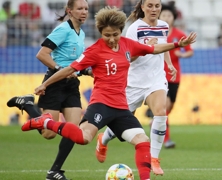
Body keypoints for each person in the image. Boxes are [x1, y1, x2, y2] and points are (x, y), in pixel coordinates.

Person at [20, 6, 196, 180]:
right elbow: (69, 69)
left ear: (121, 31)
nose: (111, 39)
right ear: (100, 33)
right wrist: (46, 84)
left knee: (143, 141)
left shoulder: (128, 45)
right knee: (83, 138)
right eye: (107, 35)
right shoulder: (94, 50)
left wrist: (178, 44)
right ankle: (47, 122)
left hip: (121, 108)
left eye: (115, 35)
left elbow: (154, 49)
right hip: (101, 105)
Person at [6, 0, 89, 179]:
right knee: (49, 134)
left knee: (73, 131)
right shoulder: (63, 30)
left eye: (86, 9)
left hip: (72, 85)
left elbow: (76, 62)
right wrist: (61, 70)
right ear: (69, 11)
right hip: (55, 83)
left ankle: (54, 171)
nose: (84, 12)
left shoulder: (81, 33)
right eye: (80, 9)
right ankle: (27, 105)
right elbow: (42, 54)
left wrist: (86, 71)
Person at [97, 0, 177, 175]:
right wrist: (148, 48)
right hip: (135, 82)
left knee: (161, 111)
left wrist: (169, 64)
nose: (154, 9)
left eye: (157, 5)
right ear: (142, 7)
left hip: (156, 79)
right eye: (150, 6)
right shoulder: (134, 28)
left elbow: (163, 48)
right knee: (123, 120)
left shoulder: (163, 26)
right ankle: (103, 138)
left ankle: (154, 159)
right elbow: (127, 56)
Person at [159, 2, 194, 148]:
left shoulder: (179, 35)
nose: (166, 18)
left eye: (169, 15)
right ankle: (166, 139)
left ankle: (157, 120)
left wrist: (183, 55)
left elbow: (190, 51)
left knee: (169, 107)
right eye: (164, 15)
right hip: (159, 76)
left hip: (175, 76)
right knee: (164, 107)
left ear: (173, 18)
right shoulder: (156, 33)